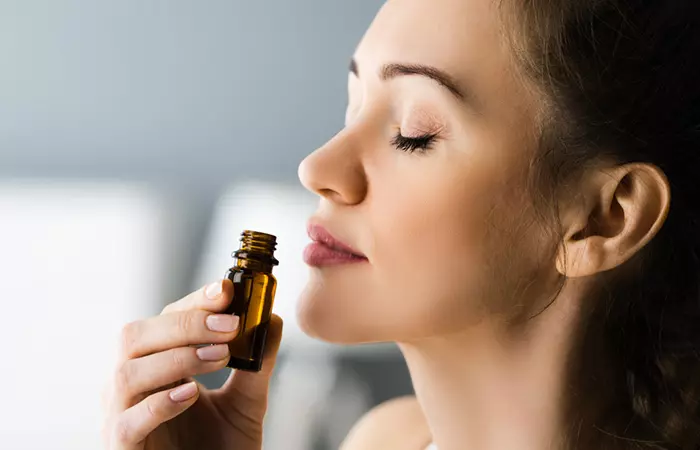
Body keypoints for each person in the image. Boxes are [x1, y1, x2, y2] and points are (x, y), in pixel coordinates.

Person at [101, 0, 700, 448]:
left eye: (413, 133)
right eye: (351, 105)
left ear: (605, 217)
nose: (317, 167)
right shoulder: (380, 441)